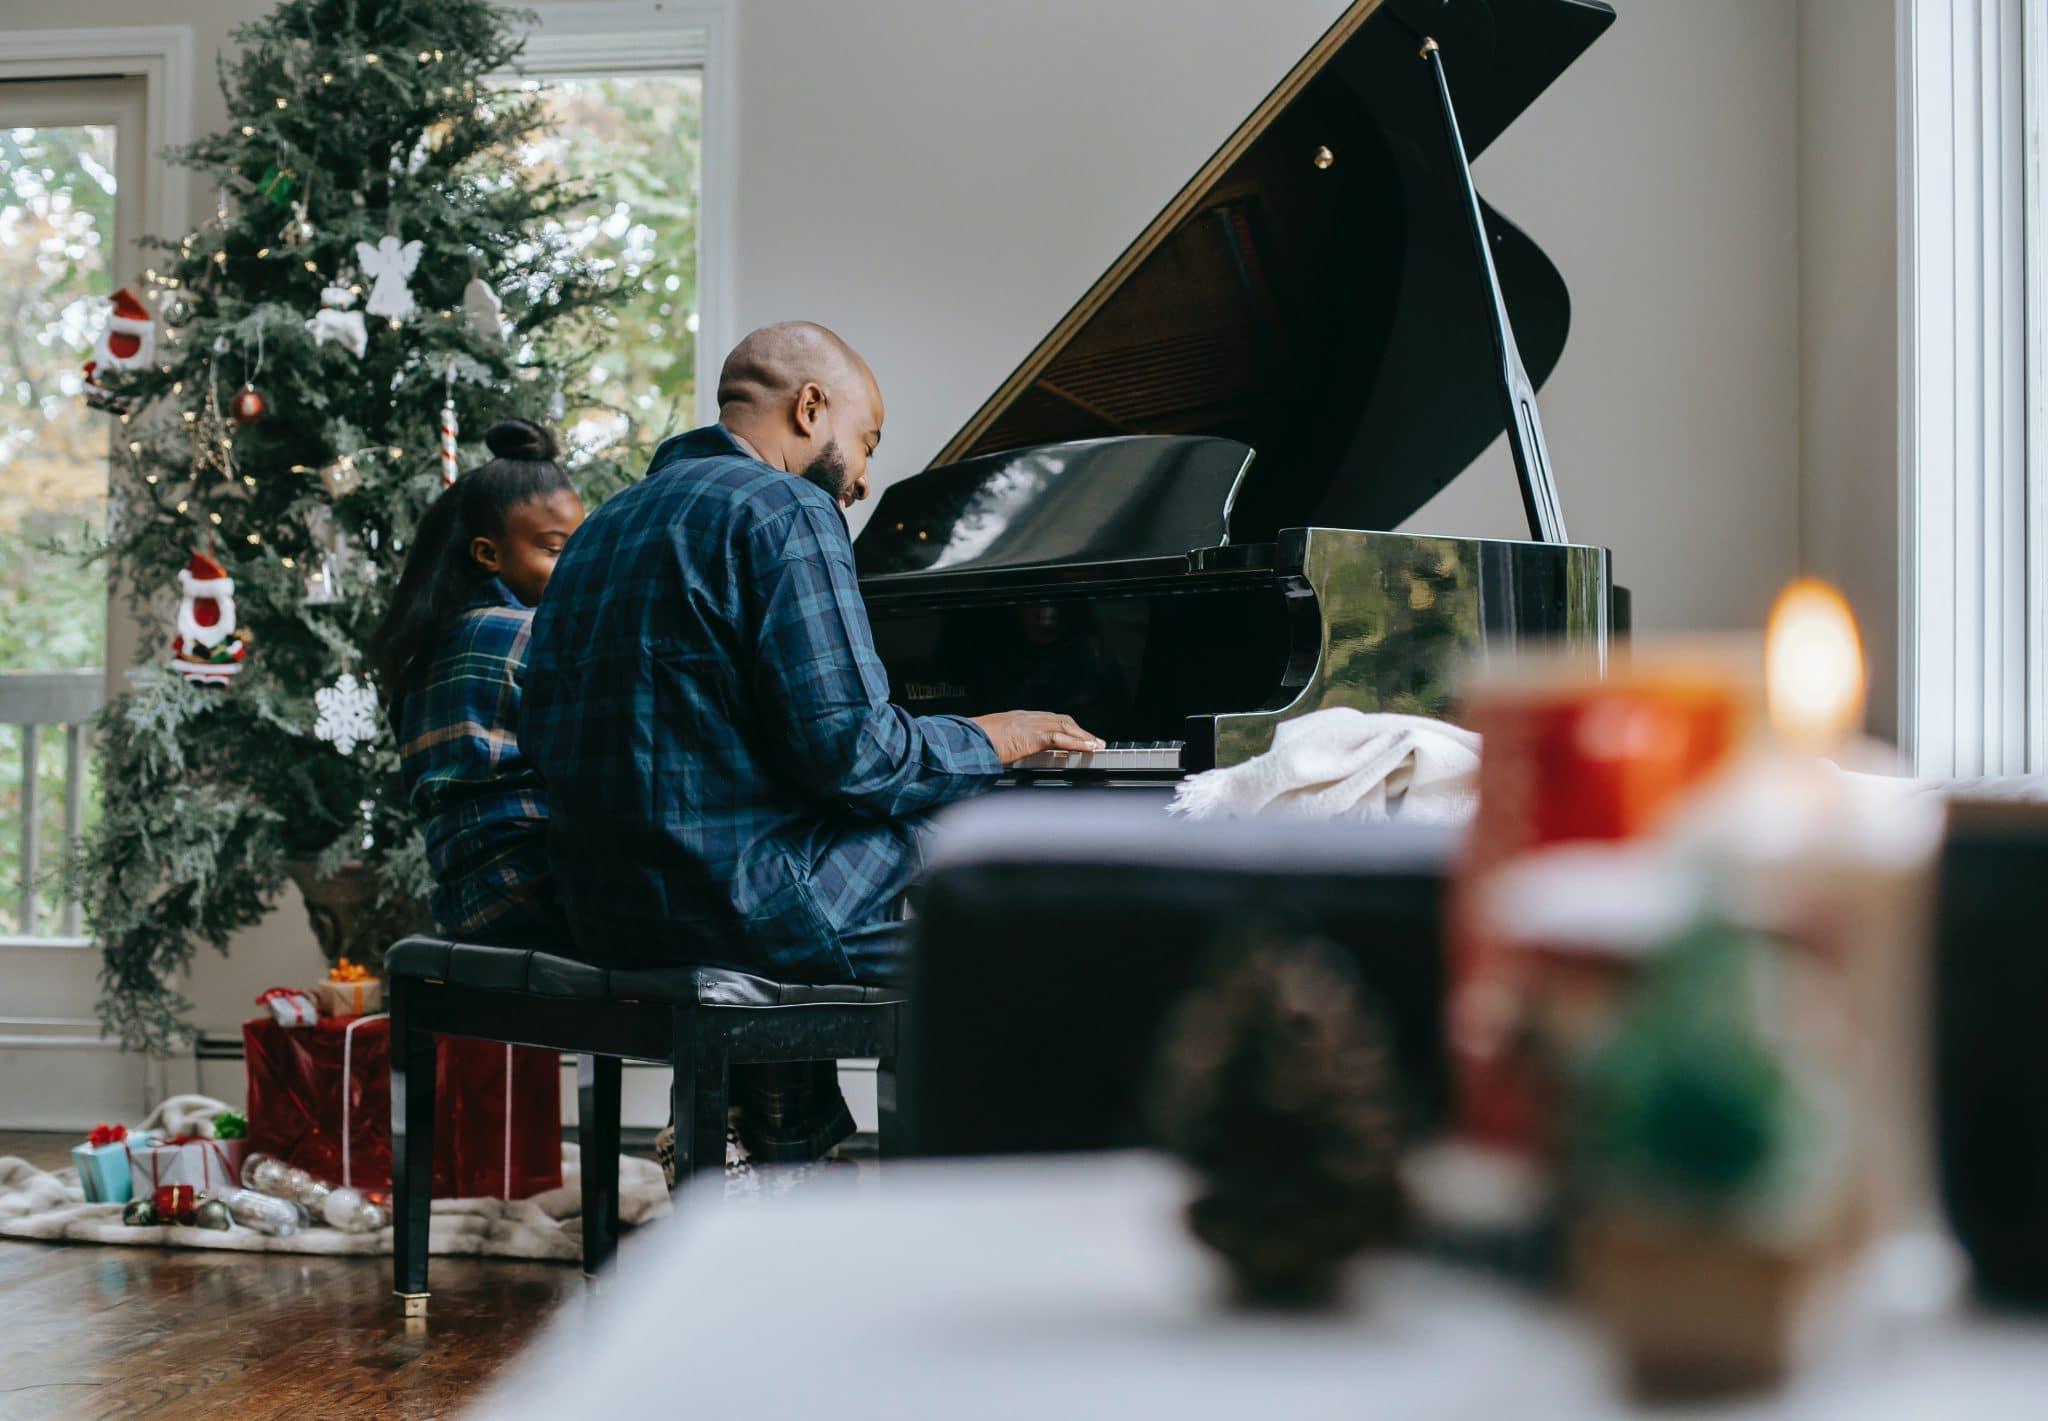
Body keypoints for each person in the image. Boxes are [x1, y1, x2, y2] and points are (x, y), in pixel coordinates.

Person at [521, 322, 1100, 1159]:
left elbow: (549, 730)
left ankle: (771, 1147)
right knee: (1021, 896)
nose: (865, 478)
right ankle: (1007, 1201)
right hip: (741, 909)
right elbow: (853, 754)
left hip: (609, 913)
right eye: (867, 442)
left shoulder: (603, 527)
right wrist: (993, 735)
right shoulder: (787, 506)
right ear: (810, 406)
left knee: (837, 841)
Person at [370, 418, 586, 947]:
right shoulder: (531, 633)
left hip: (463, 906)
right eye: (556, 551)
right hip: (539, 895)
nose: (575, 568)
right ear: (488, 553)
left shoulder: (421, 650)